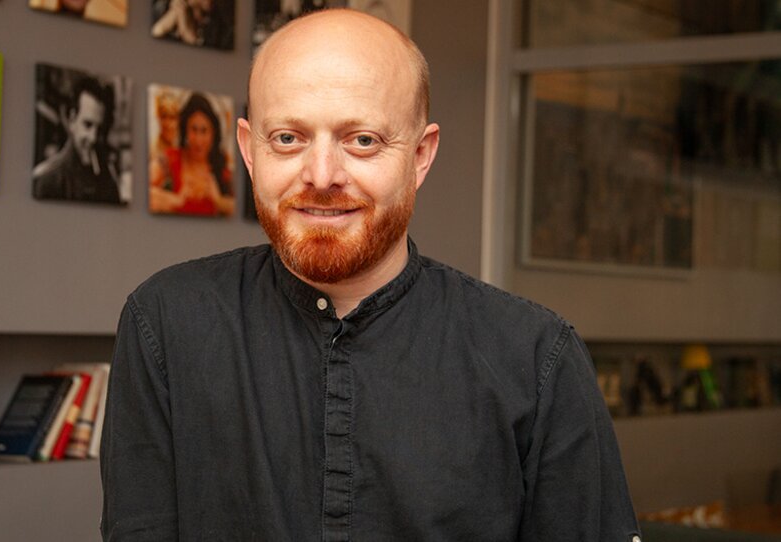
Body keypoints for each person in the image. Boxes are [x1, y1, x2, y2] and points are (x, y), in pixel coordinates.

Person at [101, 9, 640, 541]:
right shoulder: (167, 324)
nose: (321, 176)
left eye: (362, 140)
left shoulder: (535, 360)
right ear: (247, 149)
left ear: (421, 155)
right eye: (288, 138)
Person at [33, 77, 122, 204]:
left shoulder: (108, 181)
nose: (93, 137)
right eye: (87, 125)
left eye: (100, 129)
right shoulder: (48, 180)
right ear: (71, 120)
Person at [149, 92, 233, 216]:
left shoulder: (221, 169)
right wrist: (175, 201)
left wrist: (218, 201)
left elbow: (241, 207)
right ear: (185, 131)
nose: (198, 140)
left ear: (213, 134)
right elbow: (141, 192)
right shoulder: (169, 159)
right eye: (193, 130)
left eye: (204, 131)